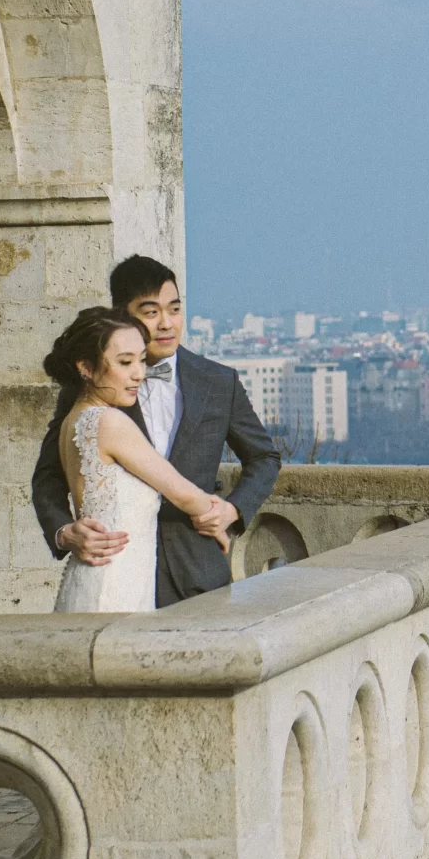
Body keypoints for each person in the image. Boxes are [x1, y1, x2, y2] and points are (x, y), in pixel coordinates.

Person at [31, 257, 284, 606]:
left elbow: (264, 457)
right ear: (122, 315)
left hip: (197, 572)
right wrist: (64, 532)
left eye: (175, 309)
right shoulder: (90, 389)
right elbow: (48, 475)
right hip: (115, 569)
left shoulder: (218, 381)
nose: (166, 323)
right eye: (150, 312)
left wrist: (232, 511)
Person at [43, 308, 236, 612]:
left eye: (142, 360)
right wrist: (218, 517)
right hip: (115, 590)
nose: (139, 373)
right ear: (86, 368)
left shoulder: (75, 419)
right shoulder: (109, 422)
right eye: (125, 362)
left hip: (96, 582)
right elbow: (183, 494)